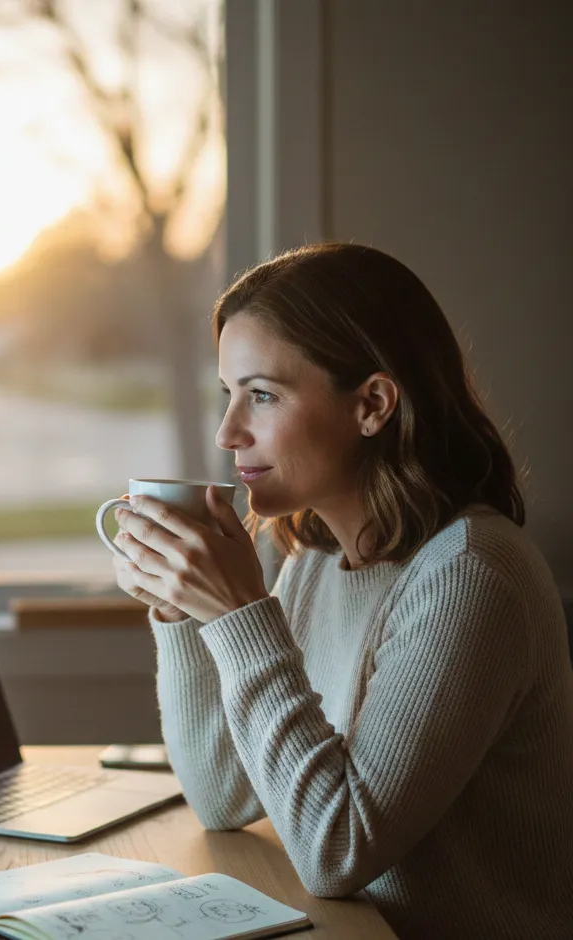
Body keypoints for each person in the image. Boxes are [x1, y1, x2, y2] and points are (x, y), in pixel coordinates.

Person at [111, 243, 573, 940]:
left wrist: (240, 616)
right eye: (228, 394)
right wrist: (183, 613)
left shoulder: (473, 576)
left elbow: (337, 850)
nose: (227, 431)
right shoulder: (318, 562)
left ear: (373, 404)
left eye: (261, 395)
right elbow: (221, 795)